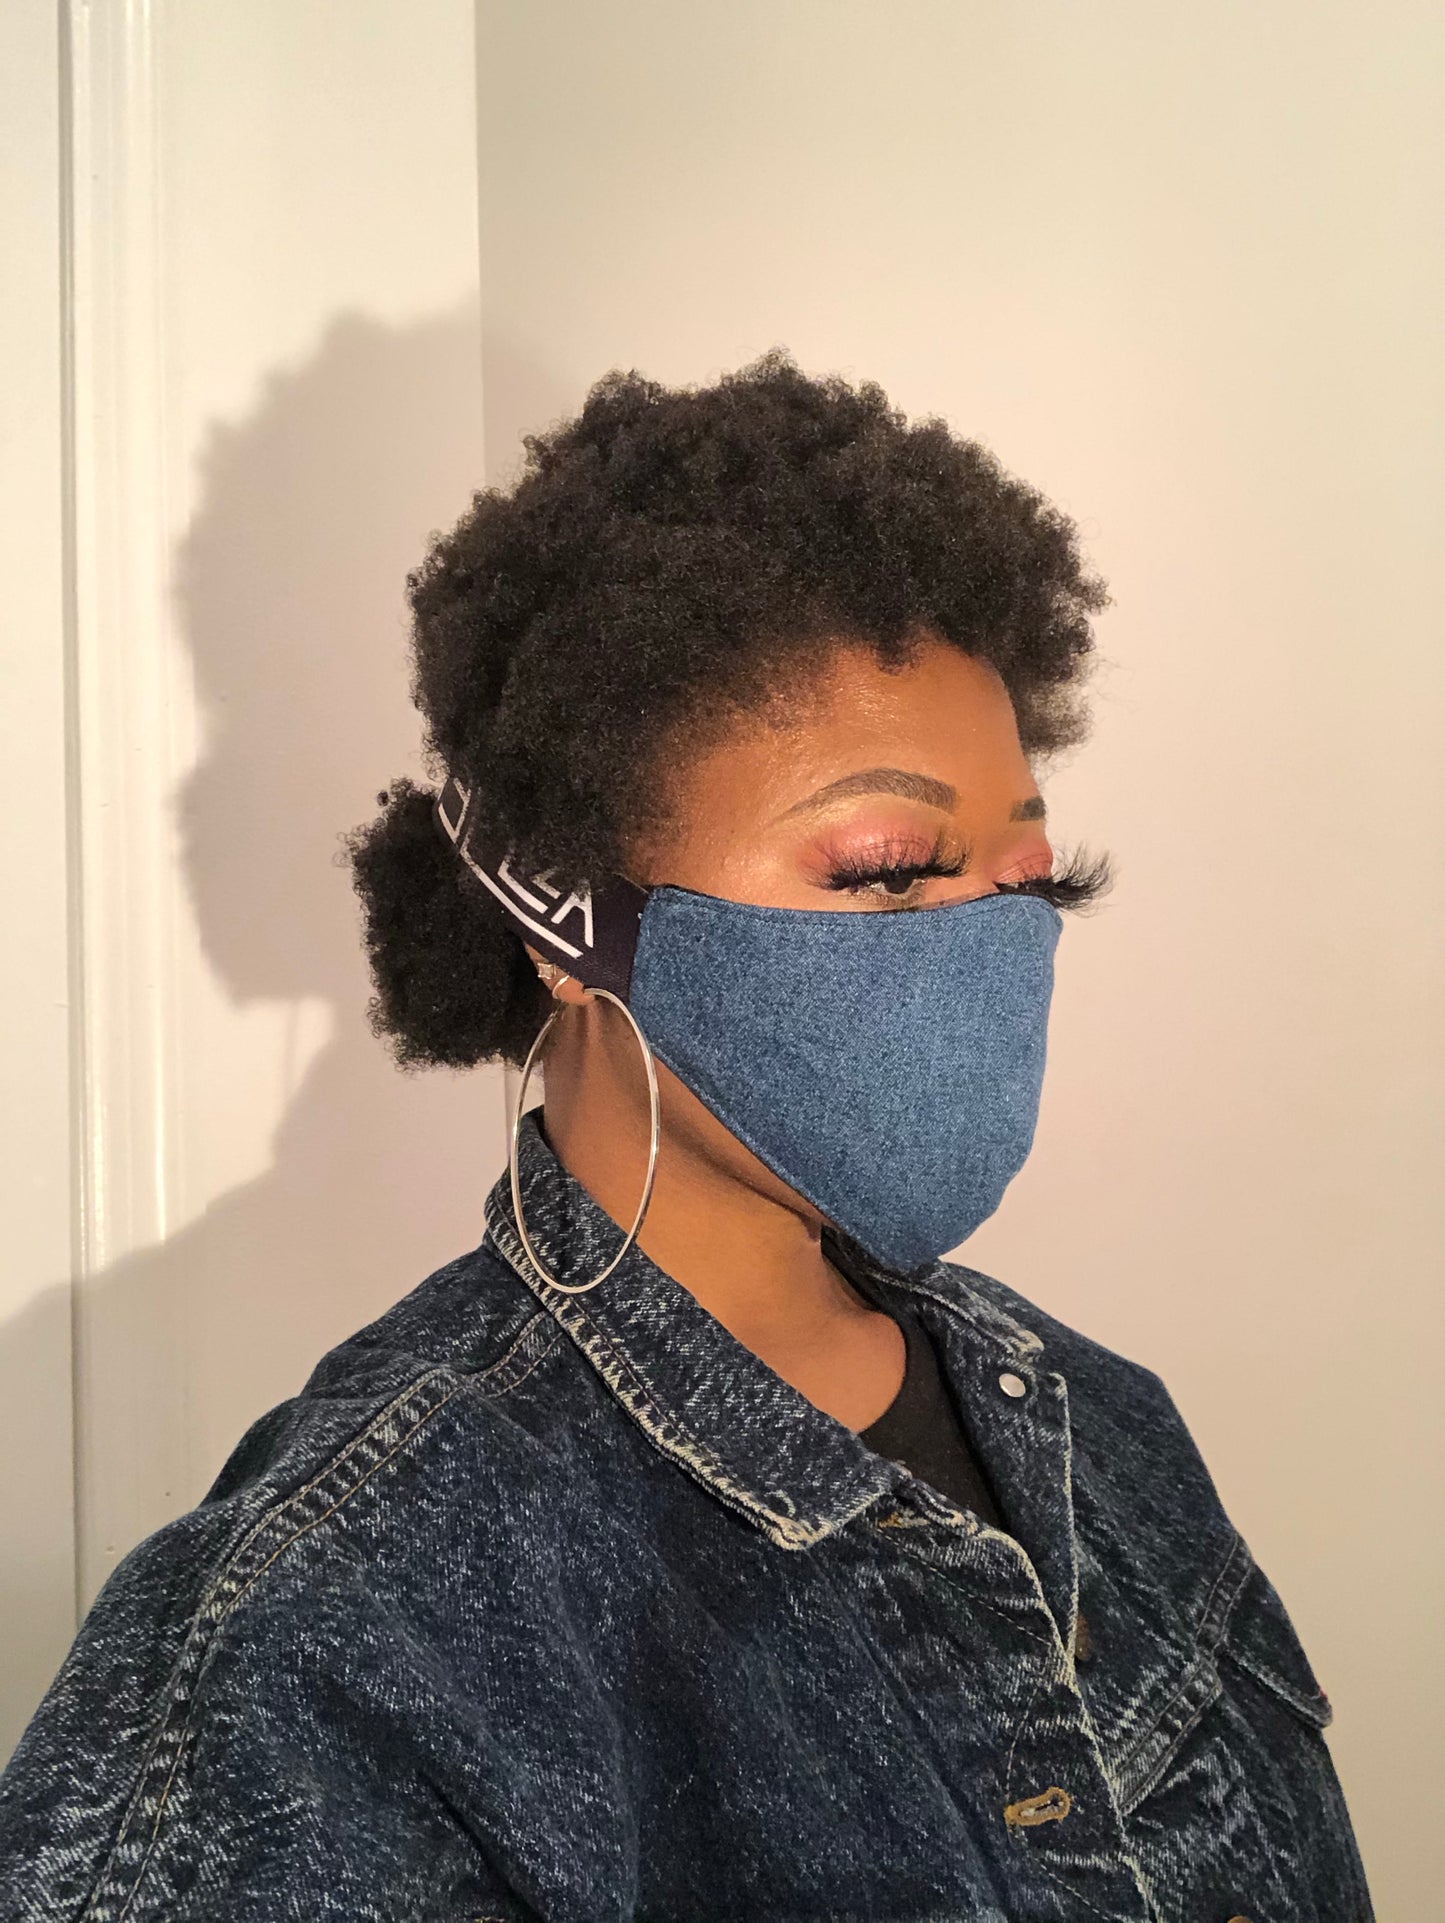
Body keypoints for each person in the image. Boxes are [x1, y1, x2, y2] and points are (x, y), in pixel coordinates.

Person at [0, 350, 1373, 1922]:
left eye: (1028, 881)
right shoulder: (340, 1617)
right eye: (883, 870)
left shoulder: (1098, 1428)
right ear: (566, 918)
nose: (986, 952)